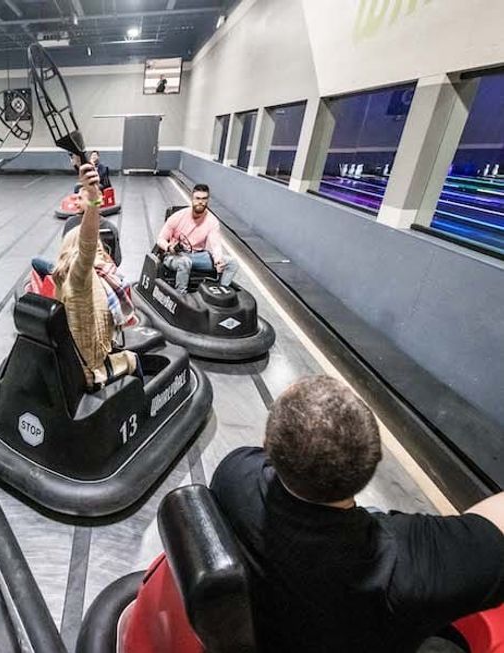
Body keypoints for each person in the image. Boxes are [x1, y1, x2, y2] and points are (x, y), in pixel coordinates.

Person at [210, 376, 504, 653]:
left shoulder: (234, 474)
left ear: (267, 447)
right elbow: (489, 538)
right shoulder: (406, 564)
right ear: (373, 460)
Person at [52, 163, 138, 388]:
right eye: (99, 249)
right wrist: (93, 200)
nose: (101, 251)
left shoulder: (73, 279)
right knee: (131, 361)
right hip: (91, 367)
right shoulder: (80, 279)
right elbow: (88, 244)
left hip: (74, 357)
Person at [155, 184, 239, 293]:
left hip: (198, 256)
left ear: (207, 200)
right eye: (198, 198)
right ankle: (181, 295)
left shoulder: (212, 221)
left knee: (232, 263)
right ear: (192, 198)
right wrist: (169, 247)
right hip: (175, 256)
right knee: (185, 262)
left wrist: (218, 260)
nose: (200, 202)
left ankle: (221, 292)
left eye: (204, 199)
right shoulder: (177, 217)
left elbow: (216, 244)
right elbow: (160, 239)